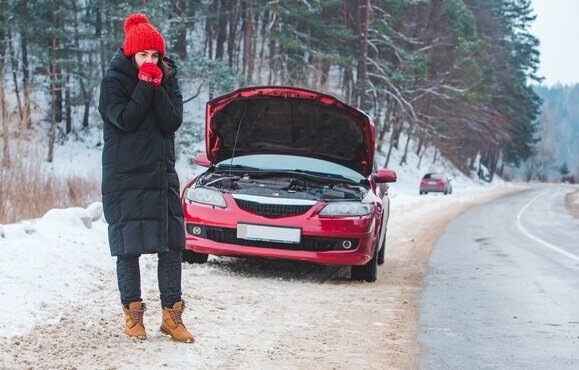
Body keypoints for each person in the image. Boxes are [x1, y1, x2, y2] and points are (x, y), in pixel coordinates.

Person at [98, 13, 193, 343]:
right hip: (124, 178)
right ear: (130, 54)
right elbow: (125, 118)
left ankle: (172, 316)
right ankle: (133, 314)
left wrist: (156, 85)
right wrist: (144, 85)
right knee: (129, 247)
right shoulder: (113, 81)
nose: (150, 61)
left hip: (160, 174)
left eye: (155, 56)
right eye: (143, 55)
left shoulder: (168, 78)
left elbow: (172, 122)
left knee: (171, 246)